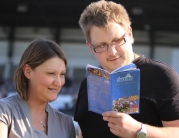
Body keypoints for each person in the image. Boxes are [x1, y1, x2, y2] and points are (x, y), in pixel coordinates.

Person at [74, 0, 179, 138]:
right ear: (90, 47)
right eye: (101, 45)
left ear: (129, 34)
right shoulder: (88, 83)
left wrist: (140, 131)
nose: (112, 52)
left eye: (117, 41)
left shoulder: (162, 76)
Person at [0, 37, 76, 138]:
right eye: (51, 73)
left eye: (62, 74)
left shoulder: (66, 123)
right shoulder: (4, 111)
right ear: (28, 71)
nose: (59, 82)